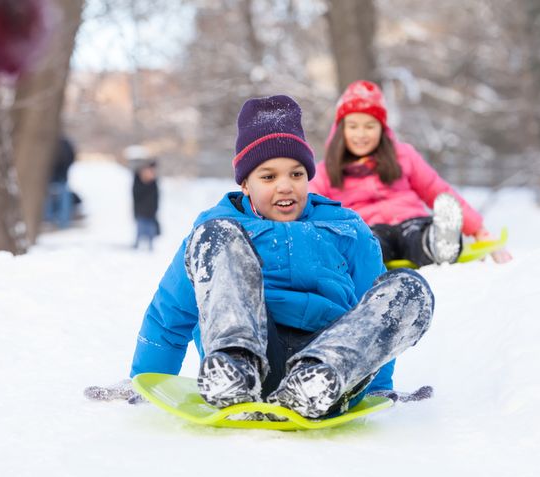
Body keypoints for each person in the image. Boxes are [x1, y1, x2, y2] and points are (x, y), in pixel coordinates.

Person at [128, 95, 435, 420]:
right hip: (250, 352)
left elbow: (373, 312)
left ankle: (314, 382)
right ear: (245, 184)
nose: (286, 186)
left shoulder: (347, 228)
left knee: (409, 288)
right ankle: (234, 369)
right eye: (269, 177)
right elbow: (170, 314)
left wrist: (376, 387)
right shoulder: (219, 228)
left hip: (330, 362)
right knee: (215, 234)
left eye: (297, 174)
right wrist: (146, 381)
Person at [309, 80, 512, 267]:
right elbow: (307, 202)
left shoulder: (402, 155)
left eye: (369, 126)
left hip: (412, 220)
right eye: (353, 126)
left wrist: (477, 229)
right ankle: (363, 260)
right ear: (340, 130)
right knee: (370, 244)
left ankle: (438, 243)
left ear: (382, 129)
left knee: (418, 236)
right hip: (368, 228)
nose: (361, 134)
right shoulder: (327, 169)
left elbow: (436, 189)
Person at [43, 136, 76, 229]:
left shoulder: (61, 144)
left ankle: (53, 220)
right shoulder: (64, 143)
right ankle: (62, 221)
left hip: (57, 176)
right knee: (61, 197)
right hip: (58, 176)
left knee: (53, 198)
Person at [132, 158, 160, 251]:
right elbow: (136, 194)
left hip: (151, 210)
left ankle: (150, 246)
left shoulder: (154, 181)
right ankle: (137, 245)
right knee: (141, 228)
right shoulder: (138, 179)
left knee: (150, 230)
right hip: (141, 210)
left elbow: (156, 196)